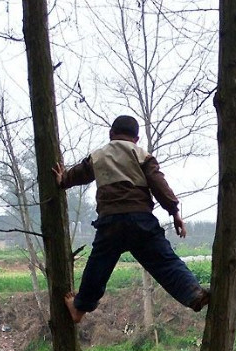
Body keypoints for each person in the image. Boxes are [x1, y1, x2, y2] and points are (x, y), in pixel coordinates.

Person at [52, 115, 210, 323]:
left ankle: (79, 309)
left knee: (97, 267)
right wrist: (174, 213)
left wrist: (63, 180)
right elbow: (158, 184)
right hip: (141, 221)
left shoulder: (98, 156)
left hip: (111, 223)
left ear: (111, 134)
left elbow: (79, 174)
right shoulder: (142, 155)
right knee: (166, 261)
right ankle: (193, 295)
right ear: (136, 138)